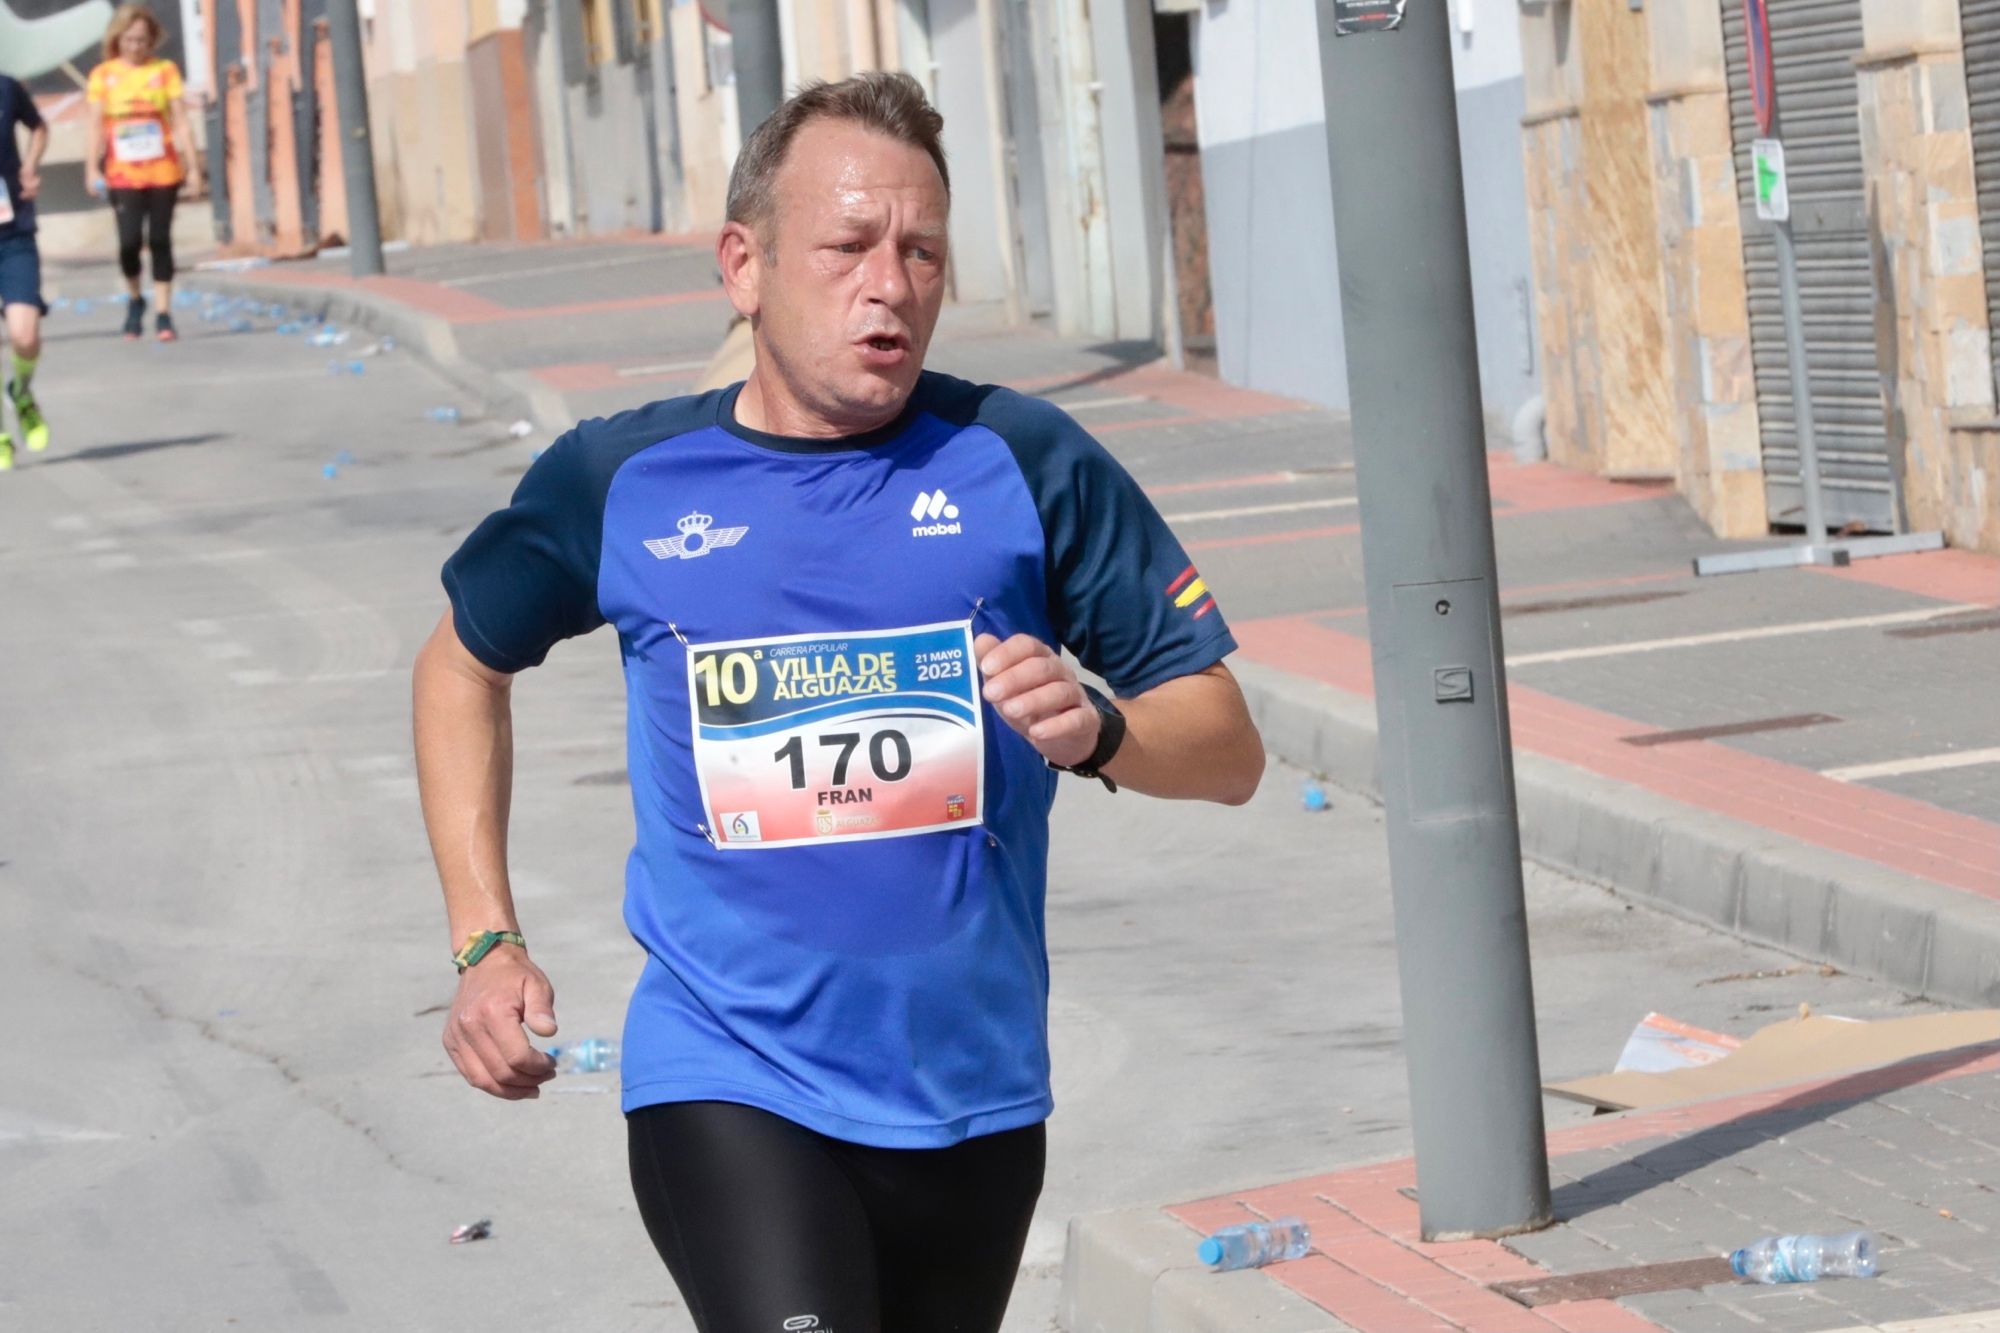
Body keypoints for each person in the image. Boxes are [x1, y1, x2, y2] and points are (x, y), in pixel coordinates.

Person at [414, 72, 1264, 1332]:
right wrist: (485, 940)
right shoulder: (627, 479)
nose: (891, 282)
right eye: (850, 245)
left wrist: (1099, 730)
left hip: (969, 1091)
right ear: (744, 265)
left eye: (921, 250)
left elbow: (1230, 746)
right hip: (727, 1074)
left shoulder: (1021, 460)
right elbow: (459, 665)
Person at [85, 4, 202, 343]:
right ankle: (136, 299)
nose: (135, 46)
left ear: (151, 41)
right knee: (129, 242)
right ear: (117, 39)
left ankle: (164, 313)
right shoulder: (103, 75)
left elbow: (180, 121)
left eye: (142, 40)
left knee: (161, 240)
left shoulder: (165, 70)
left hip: (163, 171)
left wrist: (192, 168)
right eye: (129, 39)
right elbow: (94, 126)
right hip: (122, 174)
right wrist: (91, 167)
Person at [0, 72, 49, 471]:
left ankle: (21, 392)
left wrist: (30, 167)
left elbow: (39, 128)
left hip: (13, 232)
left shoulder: (6, 87)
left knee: (25, 335)